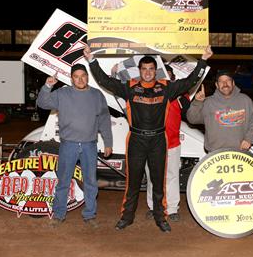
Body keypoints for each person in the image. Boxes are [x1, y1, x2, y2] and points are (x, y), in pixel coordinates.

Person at [83, 44, 213, 232]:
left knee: (159, 181)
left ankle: (161, 218)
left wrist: (203, 60)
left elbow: (191, 81)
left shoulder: (166, 88)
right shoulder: (130, 87)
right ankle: (126, 217)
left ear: (156, 71)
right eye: (144, 69)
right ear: (139, 71)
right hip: (136, 140)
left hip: (159, 140)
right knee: (133, 181)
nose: (148, 72)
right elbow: (104, 81)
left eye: (151, 69)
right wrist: (91, 60)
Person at [37, 64, 113, 229]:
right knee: (63, 181)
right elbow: (42, 103)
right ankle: (58, 215)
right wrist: (48, 85)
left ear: (87, 77)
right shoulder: (62, 93)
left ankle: (90, 215)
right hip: (68, 145)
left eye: (83, 76)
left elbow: (104, 120)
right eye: (76, 76)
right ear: (72, 78)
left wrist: (108, 142)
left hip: (89, 145)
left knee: (90, 182)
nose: (80, 79)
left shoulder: (96, 95)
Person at [144, 64, 191, 222]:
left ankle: (172, 209)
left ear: (173, 78)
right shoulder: (148, 92)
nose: (166, 78)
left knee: (172, 177)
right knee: (152, 176)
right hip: (150, 144)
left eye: (169, 75)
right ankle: (153, 207)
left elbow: (190, 115)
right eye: (162, 75)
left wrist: (197, 101)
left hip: (172, 144)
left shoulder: (180, 95)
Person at [187, 69, 253, 153]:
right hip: (215, 153)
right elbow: (192, 119)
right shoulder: (208, 102)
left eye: (228, 80)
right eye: (221, 81)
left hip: (240, 151)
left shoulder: (245, 100)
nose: (225, 84)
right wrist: (197, 102)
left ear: (233, 83)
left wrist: (248, 139)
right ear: (216, 85)